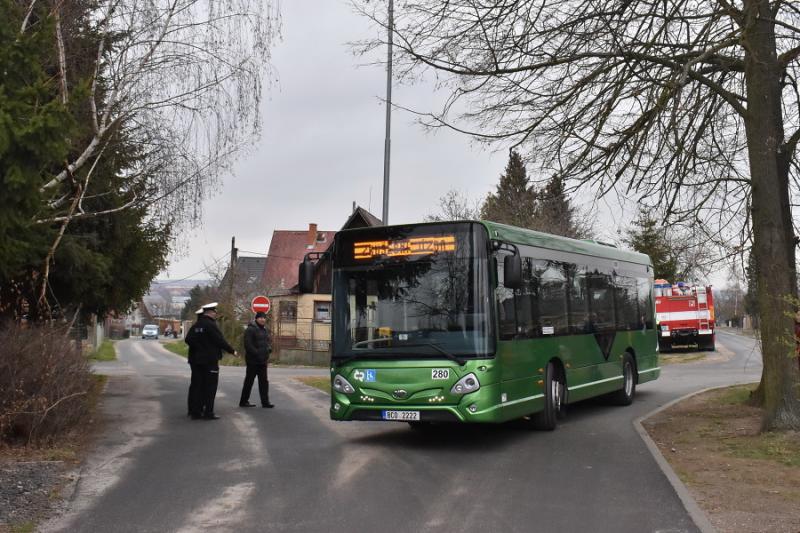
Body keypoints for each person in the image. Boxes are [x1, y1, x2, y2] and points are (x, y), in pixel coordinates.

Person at [185, 302, 237, 420]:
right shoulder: (211, 325)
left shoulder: (197, 325)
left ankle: (195, 411)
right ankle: (209, 412)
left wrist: (198, 347)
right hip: (209, 361)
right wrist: (232, 351)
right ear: (210, 313)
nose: (215, 314)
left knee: (197, 385)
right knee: (210, 387)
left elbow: (188, 339)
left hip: (196, 361)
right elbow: (220, 341)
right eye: (214, 312)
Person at [239, 311, 275, 408]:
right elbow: (248, 345)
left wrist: (268, 349)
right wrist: (257, 353)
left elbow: (267, 342)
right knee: (249, 381)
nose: (263, 319)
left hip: (263, 361)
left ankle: (265, 402)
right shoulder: (250, 329)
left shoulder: (264, 330)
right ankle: (243, 401)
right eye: (260, 318)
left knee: (264, 382)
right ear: (256, 319)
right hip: (253, 361)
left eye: (264, 318)